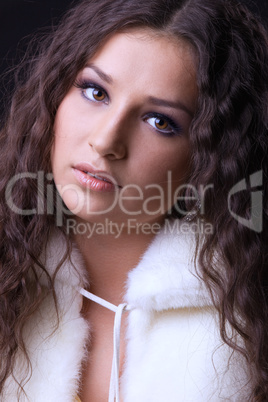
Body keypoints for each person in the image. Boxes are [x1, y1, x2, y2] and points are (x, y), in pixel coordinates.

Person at [0, 0, 267, 400]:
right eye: (95, 92)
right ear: (54, 94)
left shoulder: (251, 318)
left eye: (160, 121)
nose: (106, 141)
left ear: (212, 155)